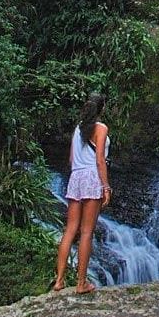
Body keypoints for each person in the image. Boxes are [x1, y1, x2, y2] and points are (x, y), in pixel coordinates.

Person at [53, 93, 112, 294]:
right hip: (91, 177)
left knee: (70, 230)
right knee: (86, 233)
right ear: (102, 109)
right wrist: (106, 187)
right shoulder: (101, 128)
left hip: (76, 177)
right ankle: (81, 283)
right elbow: (100, 160)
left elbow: (71, 159)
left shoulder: (78, 129)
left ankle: (59, 280)